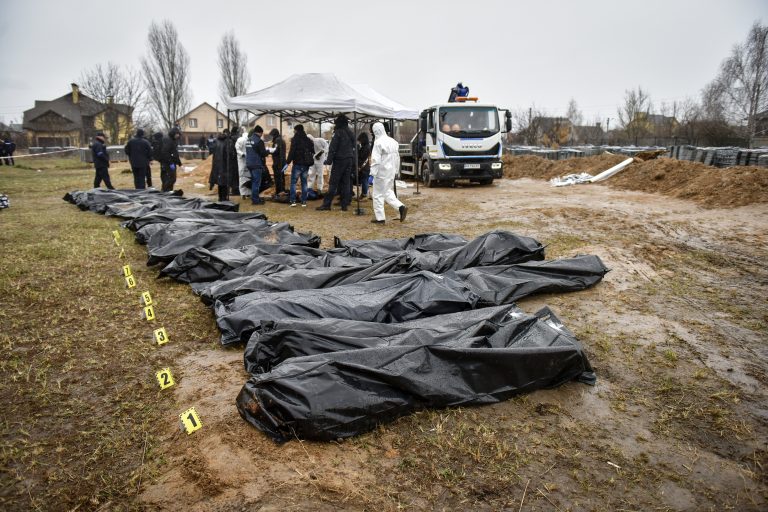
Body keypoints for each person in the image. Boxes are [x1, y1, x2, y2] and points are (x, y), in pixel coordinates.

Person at [370, 122, 406, 224]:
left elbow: (375, 160)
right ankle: (400, 207)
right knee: (387, 192)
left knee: (377, 195)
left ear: (375, 131)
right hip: (391, 173)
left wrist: (372, 174)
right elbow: (397, 158)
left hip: (381, 173)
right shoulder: (393, 141)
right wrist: (396, 171)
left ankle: (380, 218)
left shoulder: (378, 143)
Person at [317, 114, 354, 211]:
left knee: (333, 183)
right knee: (346, 182)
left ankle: (327, 204)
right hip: (349, 159)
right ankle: (344, 205)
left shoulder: (338, 132)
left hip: (339, 160)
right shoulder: (350, 132)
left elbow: (333, 148)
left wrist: (328, 161)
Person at [285, 124, 314, 207]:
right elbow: (312, 150)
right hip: (306, 165)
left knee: (293, 183)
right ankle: (304, 201)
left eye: (294, 130)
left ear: (297, 130)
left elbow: (292, 152)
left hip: (297, 164)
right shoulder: (307, 140)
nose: (294, 132)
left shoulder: (295, 139)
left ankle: (293, 201)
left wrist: (287, 162)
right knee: (304, 183)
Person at [245, 126, 269, 205]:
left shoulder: (248, 140)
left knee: (253, 181)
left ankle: (255, 197)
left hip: (249, 163)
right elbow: (263, 153)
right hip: (256, 164)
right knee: (256, 182)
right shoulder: (259, 141)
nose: (262, 135)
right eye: (261, 133)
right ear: (260, 132)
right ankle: (255, 200)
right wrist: (268, 151)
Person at [209, 132, 231, 201]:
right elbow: (228, 155)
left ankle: (220, 197)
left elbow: (211, 150)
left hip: (217, 165)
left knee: (220, 182)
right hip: (224, 165)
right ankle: (224, 197)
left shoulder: (216, 142)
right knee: (224, 182)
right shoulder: (226, 143)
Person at [159, 127, 182, 192]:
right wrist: (170, 162)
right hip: (167, 163)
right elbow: (165, 152)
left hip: (171, 163)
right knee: (170, 178)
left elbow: (175, 153)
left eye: (178, 134)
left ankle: (168, 190)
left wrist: (179, 163)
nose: (178, 135)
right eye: (177, 134)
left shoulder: (173, 141)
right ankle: (165, 191)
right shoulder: (168, 140)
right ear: (173, 133)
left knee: (171, 178)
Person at [269, 128, 286, 196]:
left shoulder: (277, 140)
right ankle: (282, 190)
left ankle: (279, 191)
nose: (272, 137)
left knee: (278, 177)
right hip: (281, 161)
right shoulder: (281, 140)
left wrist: (269, 151)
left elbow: (276, 151)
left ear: (275, 134)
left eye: (272, 135)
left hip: (278, 162)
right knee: (281, 177)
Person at [235, 128, 250, 198]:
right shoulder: (247, 139)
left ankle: (244, 193)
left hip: (243, 160)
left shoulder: (240, 140)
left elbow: (237, 149)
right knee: (246, 176)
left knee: (243, 176)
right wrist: (243, 154)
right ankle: (246, 193)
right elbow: (237, 149)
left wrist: (242, 154)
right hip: (244, 160)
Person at [357, 132, 371, 199]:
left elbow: (362, 157)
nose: (359, 142)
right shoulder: (367, 146)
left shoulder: (365, 147)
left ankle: (364, 194)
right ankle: (364, 193)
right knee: (365, 180)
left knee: (364, 180)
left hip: (364, 167)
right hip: (366, 166)